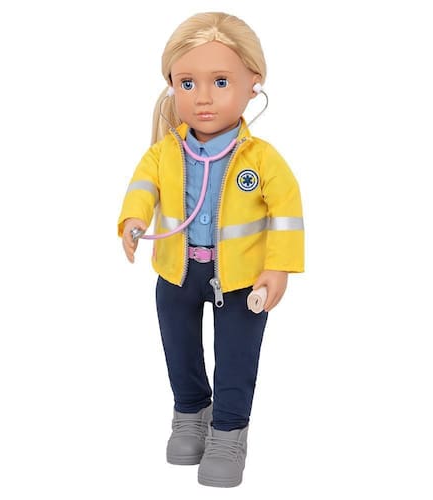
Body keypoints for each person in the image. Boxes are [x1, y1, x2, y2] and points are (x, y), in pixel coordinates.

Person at [117, 12, 304, 488]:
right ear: (172, 85)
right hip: (177, 272)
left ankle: (228, 433)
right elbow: (142, 187)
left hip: (240, 280)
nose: (202, 97)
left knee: (237, 357)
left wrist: (278, 268)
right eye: (187, 83)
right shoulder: (165, 152)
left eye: (221, 82)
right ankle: (189, 415)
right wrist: (133, 220)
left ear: (253, 84)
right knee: (179, 349)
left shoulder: (262, 159)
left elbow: (286, 213)